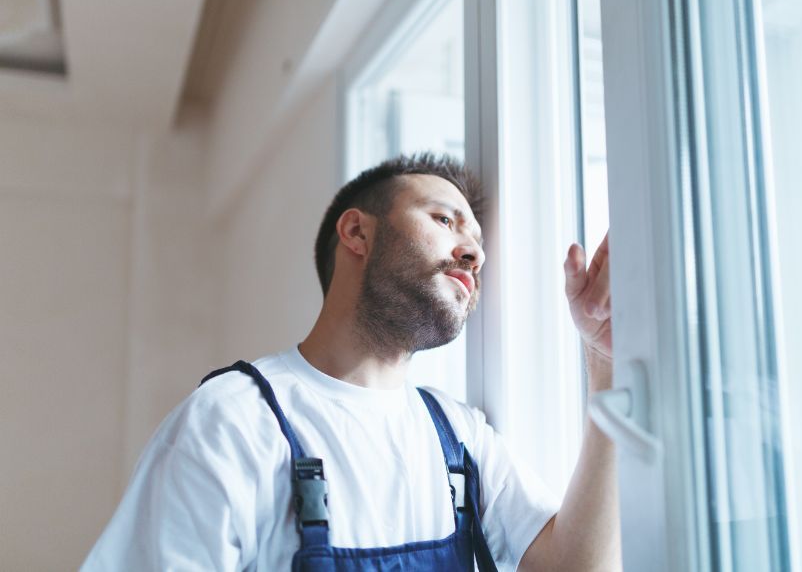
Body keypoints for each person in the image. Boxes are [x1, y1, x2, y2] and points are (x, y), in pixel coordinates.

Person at [83, 153, 619, 571]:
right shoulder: (232, 422)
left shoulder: (459, 437)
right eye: (444, 219)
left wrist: (603, 366)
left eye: (477, 242)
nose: (474, 254)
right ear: (358, 233)